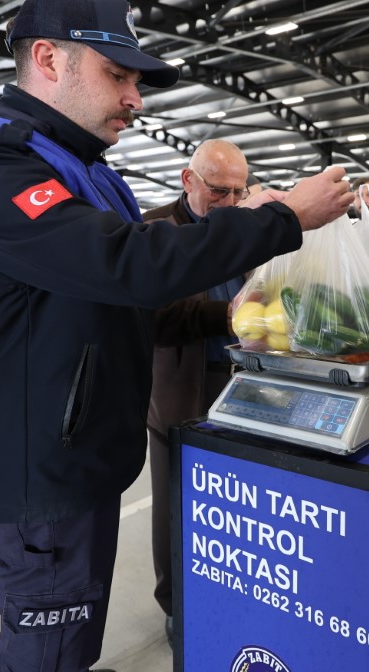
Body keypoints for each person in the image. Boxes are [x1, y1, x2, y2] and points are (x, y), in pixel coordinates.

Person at [0, 0, 353, 672]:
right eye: (117, 75)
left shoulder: (91, 174)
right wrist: (281, 220)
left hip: (85, 456)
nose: (136, 98)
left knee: (74, 638)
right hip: (41, 471)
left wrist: (231, 317)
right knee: (47, 648)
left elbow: (137, 306)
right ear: (47, 59)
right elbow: (129, 263)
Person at [140, 138, 253, 645]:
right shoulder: (156, 230)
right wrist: (224, 316)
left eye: (238, 192)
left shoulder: (242, 229)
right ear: (189, 181)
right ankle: (176, 605)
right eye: (219, 191)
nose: (230, 202)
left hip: (241, 383)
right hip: (182, 389)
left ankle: (226, 594)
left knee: (232, 503)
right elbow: (153, 318)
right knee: (177, 506)